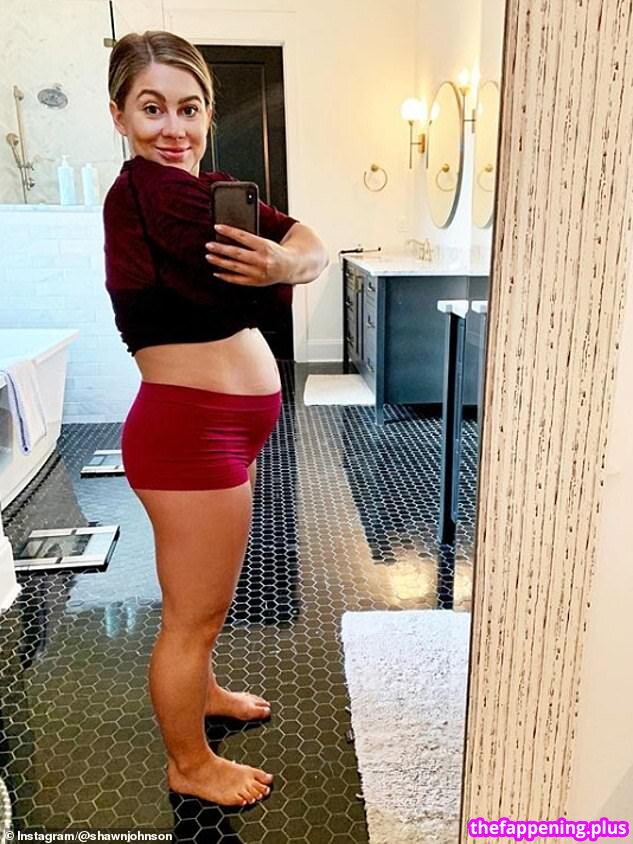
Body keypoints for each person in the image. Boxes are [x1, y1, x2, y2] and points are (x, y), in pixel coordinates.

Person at [103, 30, 328, 808]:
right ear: (119, 116)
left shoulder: (214, 187)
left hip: (218, 432)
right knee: (191, 617)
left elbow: (306, 242)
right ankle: (189, 766)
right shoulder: (143, 193)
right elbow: (293, 243)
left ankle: (202, 694)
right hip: (188, 435)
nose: (173, 128)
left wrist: (288, 260)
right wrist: (289, 259)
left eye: (189, 108)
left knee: (205, 605)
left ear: (208, 112)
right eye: (151, 108)